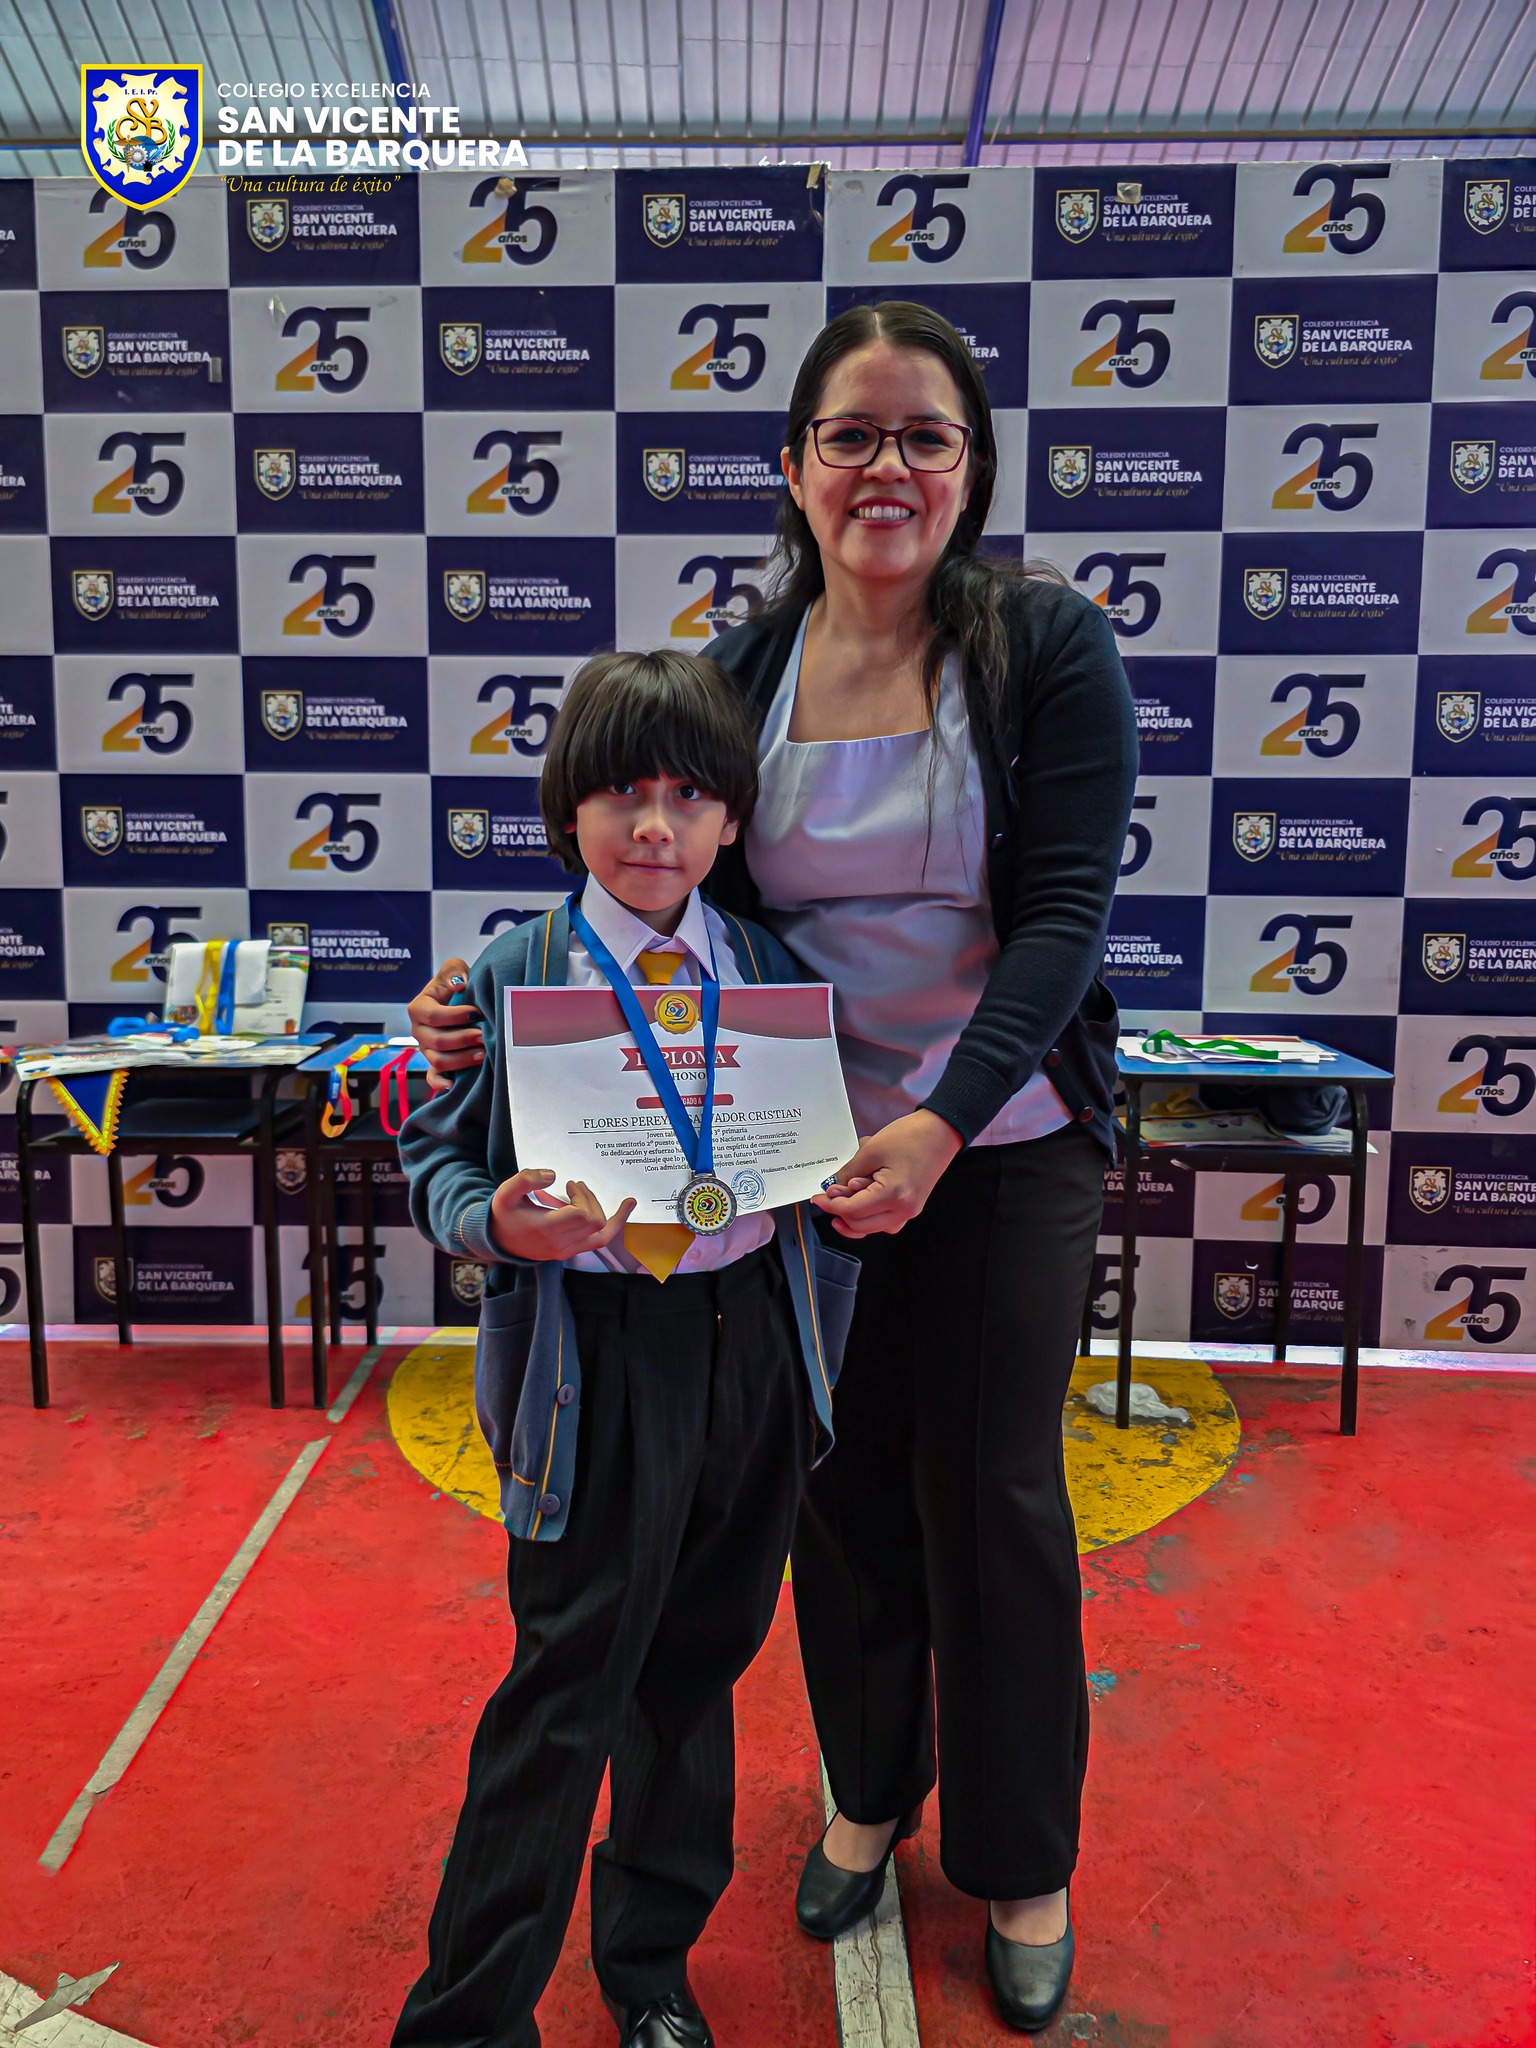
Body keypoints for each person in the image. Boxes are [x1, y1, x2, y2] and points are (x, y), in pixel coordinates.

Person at [408, 301, 1138, 2034]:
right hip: (789, 1170)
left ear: (971, 467)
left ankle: (1020, 1861)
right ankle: (868, 1796)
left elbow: (1062, 921)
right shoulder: (745, 668)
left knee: (994, 1501)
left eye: (925, 436)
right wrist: (488, 1012)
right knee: (836, 1500)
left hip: (995, 1142)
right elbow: (666, 908)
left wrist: (941, 1120)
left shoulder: (1045, 644)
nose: (888, 467)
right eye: (851, 435)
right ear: (795, 465)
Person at [392, 649, 858, 2048]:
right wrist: (493, 1222)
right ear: (569, 812)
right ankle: (468, 2019)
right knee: (565, 1684)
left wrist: (838, 1190)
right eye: (622, 795)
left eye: (689, 797)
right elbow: (434, 1159)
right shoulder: (509, 975)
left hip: (749, 1346)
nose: (655, 827)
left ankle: (649, 1966)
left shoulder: (768, 972)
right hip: (593, 1358)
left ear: (731, 820)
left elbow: (810, 1159)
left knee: (696, 1669)